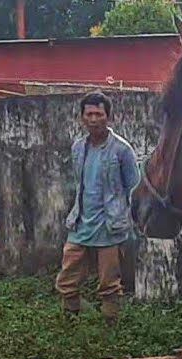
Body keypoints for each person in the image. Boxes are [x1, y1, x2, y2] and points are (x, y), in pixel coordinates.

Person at [57, 91, 140, 321]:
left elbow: (133, 186)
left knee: (109, 285)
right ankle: (70, 324)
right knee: (67, 280)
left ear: (108, 117)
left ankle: (109, 331)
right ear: (82, 118)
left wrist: (130, 222)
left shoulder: (122, 150)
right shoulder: (78, 148)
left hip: (111, 227)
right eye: (89, 114)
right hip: (80, 222)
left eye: (99, 114)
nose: (94, 119)